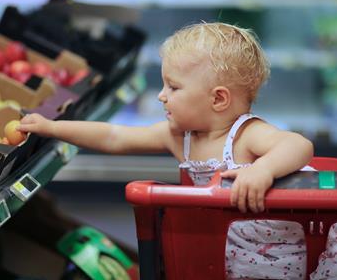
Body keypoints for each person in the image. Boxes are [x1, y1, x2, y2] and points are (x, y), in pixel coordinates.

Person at [17, 22, 314, 279]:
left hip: (272, 260)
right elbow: (113, 136)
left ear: (218, 99)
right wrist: (53, 128)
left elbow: (298, 145)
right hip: (222, 254)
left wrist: (263, 170)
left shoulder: (245, 135)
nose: (161, 95)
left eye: (173, 87)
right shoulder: (178, 136)